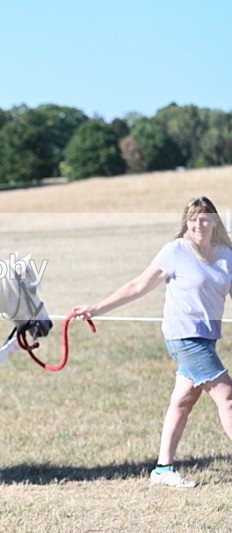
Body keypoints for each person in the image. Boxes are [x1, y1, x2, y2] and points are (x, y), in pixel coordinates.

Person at [71, 196, 232, 488]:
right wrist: (96, 308)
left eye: (205, 218)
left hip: (207, 338)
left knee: (183, 401)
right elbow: (137, 285)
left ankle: (162, 470)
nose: (199, 224)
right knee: (228, 398)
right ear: (186, 222)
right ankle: (163, 469)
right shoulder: (175, 252)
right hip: (183, 337)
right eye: (193, 218)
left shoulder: (226, 256)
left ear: (215, 222)